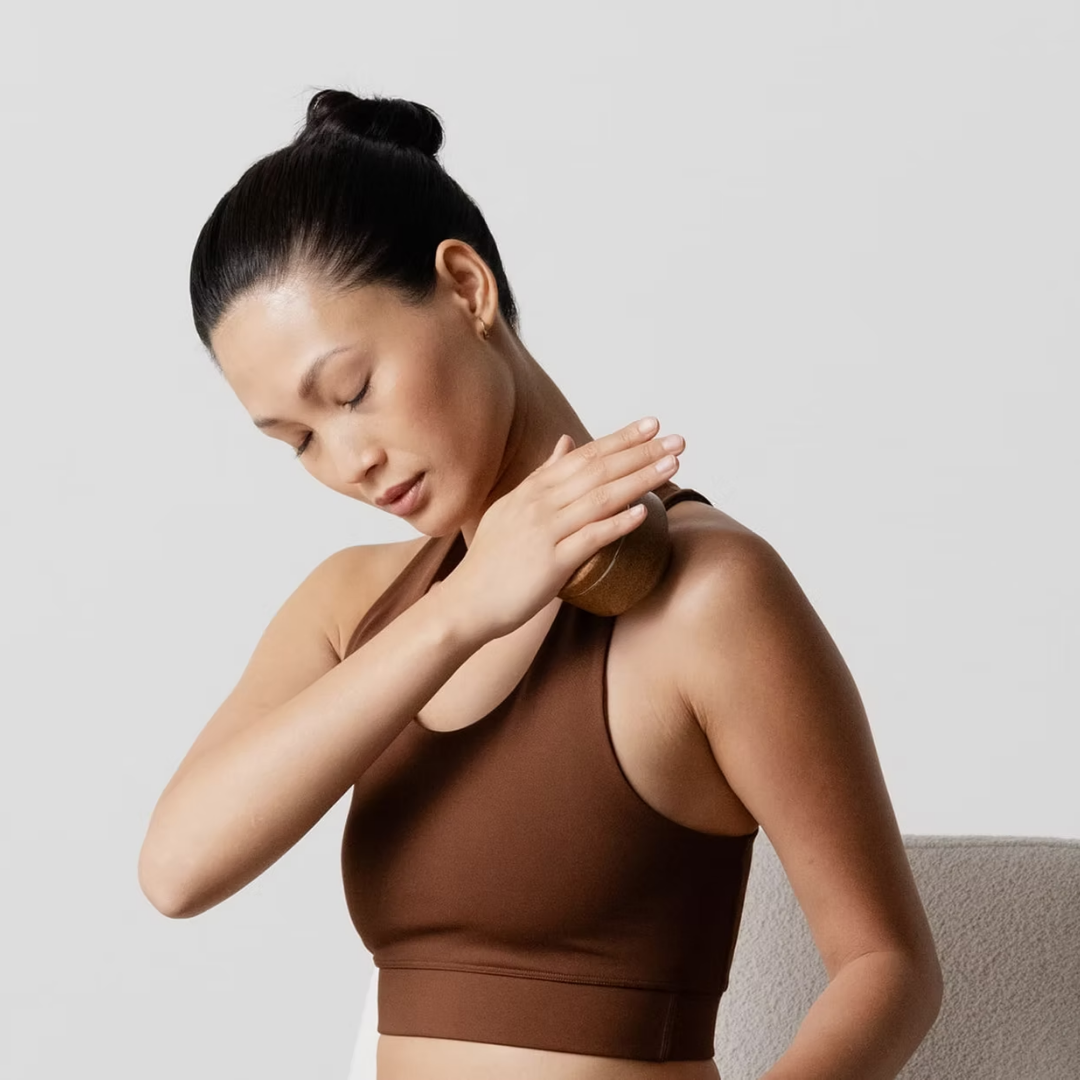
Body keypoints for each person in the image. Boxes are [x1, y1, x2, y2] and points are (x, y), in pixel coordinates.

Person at [138, 90, 943, 1080]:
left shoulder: (706, 595)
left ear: (465, 286)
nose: (346, 459)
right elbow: (177, 872)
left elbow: (886, 966)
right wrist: (466, 608)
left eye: (350, 392)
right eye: (296, 440)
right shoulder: (355, 606)